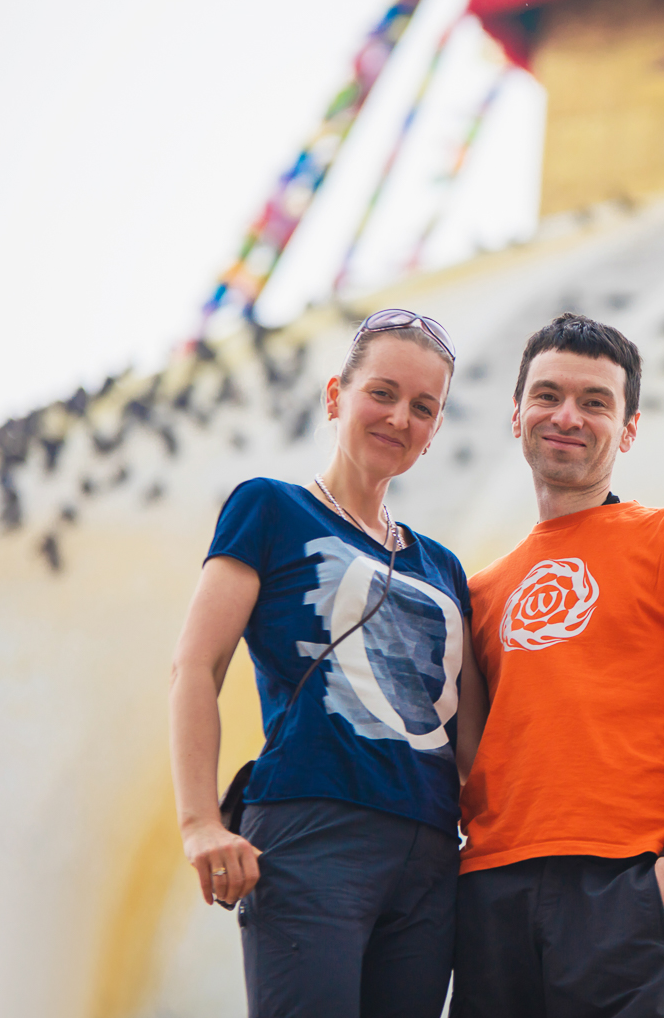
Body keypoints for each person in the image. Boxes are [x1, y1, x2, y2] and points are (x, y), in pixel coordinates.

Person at [168, 309, 481, 1018]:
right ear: (336, 396)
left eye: (423, 407)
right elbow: (196, 666)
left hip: (431, 857)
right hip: (314, 833)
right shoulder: (270, 508)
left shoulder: (444, 567)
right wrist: (199, 824)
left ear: (435, 430)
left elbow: (471, 743)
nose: (399, 418)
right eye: (383, 393)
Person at [450, 313, 664, 1018]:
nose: (568, 416)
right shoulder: (481, 592)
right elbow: (470, 754)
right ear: (516, 414)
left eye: (595, 402)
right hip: (492, 888)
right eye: (548, 395)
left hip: (628, 882)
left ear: (628, 429)